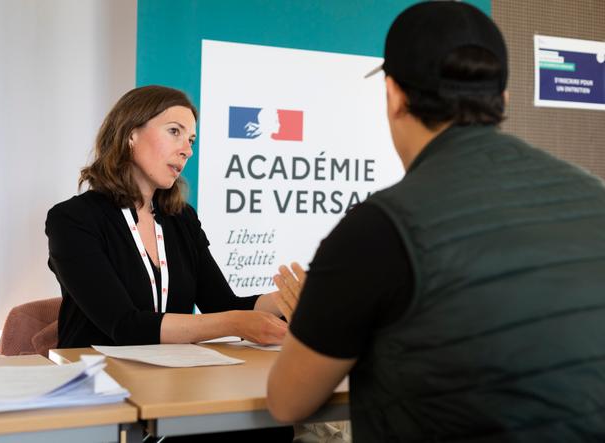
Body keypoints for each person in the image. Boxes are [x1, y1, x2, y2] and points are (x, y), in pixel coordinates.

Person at [268, 2, 605, 442]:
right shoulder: (594, 194)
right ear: (502, 99)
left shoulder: (377, 228)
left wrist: (318, 320)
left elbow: (286, 401)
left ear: (393, 95)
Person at [46, 85, 294, 441]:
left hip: (174, 386)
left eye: (191, 140)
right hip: (103, 397)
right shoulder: (72, 220)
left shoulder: (181, 219)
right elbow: (125, 326)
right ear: (130, 133)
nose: (186, 150)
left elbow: (222, 304)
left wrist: (287, 298)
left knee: (270, 424)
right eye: (174, 132)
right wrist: (237, 322)